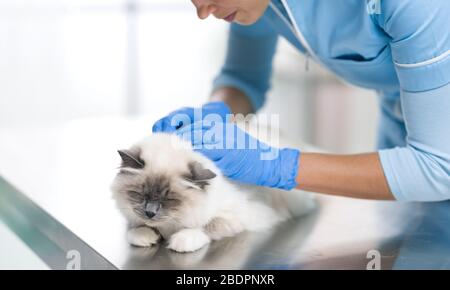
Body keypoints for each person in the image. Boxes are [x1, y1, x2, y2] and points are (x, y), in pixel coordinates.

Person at [153, 0, 450, 201]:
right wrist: (214, 114)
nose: (202, 10)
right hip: (401, 132)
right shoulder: (261, 4)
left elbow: (438, 166)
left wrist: (275, 165)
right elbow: (243, 78)